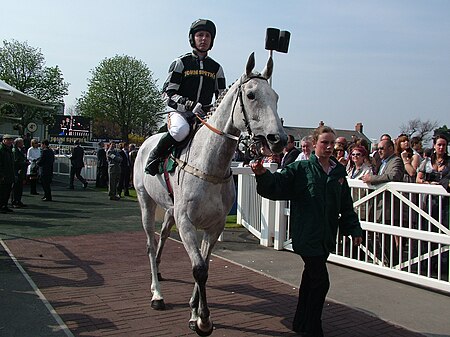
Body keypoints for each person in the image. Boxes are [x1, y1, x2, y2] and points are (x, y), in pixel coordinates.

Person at [250, 125, 363, 336]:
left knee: (310, 280)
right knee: (321, 282)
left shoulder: (338, 173)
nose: (329, 147)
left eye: (333, 143)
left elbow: (345, 205)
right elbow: (276, 184)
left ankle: (300, 322)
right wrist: (263, 174)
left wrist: (354, 229)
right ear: (314, 144)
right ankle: (313, 327)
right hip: (307, 236)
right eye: (325, 143)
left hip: (325, 236)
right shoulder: (301, 169)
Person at [145, 18, 226, 175]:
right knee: (180, 131)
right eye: (200, 35)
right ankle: (154, 156)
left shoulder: (216, 68)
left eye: (207, 36)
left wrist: (211, 111)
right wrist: (189, 104)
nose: (203, 39)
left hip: (203, 115)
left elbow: (222, 97)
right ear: (192, 38)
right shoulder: (181, 62)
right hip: (180, 112)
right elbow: (167, 93)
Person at [0, 134, 15, 213]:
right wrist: (1, 175)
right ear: (4, 140)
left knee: (7, 192)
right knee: (2, 192)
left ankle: (4, 205)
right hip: (4, 175)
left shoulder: (9, 149)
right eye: (8, 140)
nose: (10, 141)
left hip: (9, 174)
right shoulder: (1, 150)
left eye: (11, 140)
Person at [11, 137, 28, 208]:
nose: (23, 144)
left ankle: (18, 200)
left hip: (21, 171)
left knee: (20, 187)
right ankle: (14, 201)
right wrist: (24, 163)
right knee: (16, 187)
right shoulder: (15, 151)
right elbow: (15, 162)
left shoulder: (21, 150)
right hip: (17, 171)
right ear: (18, 143)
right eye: (21, 142)